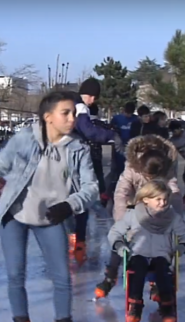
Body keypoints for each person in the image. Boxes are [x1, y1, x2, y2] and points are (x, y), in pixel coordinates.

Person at [0, 91, 98, 322]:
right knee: (16, 274)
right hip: (15, 214)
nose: (72, 118)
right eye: (66, 113)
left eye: (74, 113)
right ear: (48, 117)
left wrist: (69, 205)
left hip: (51, 218)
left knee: (62, 277)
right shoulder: (25, 139)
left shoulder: (78, 149)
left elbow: (92, 187)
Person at [94, 136, 181, 299]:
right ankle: (110, 277)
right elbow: (121, 193)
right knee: (121, 239)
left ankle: (158, 278)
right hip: (133, 208)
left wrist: (175, 214)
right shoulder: (131, 169)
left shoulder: (166, 168)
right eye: (147, 175)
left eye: (154, 176)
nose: (150, 179)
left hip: (157, 211)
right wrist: (122, 220)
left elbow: (174, 191)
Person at [108, 179, 185, 322]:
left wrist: (182, 247)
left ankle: (167, 306)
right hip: (138, 253)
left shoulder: (172, 217)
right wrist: (120, 245)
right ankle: (135, 304)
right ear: (146, 199)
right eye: (158, 199)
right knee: (137, 268)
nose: (162, 203)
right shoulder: (133, 214)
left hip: (161, 255)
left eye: (165, 199)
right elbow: (115, 232)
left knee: (162, 269)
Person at [69, 78, 122, 264]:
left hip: (56, 157)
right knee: (81, 199)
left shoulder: (66, 102)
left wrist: (106, 128)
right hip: (74, 156)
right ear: (90, 95)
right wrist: (112, 136)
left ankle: (72, 237)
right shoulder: (81, 106)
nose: (93, 102)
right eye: (94, 98)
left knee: (66, 197)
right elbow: (89, 131)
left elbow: (92, 125)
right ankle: (79, 243)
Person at [108, 102, 139, 194]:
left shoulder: (136, 119)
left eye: (130, 113)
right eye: (127, 113)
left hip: (132, 147)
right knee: (118, 168)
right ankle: (116, 188)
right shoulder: (117, 118)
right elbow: (111, 129)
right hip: (119, 147)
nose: (128, 115)